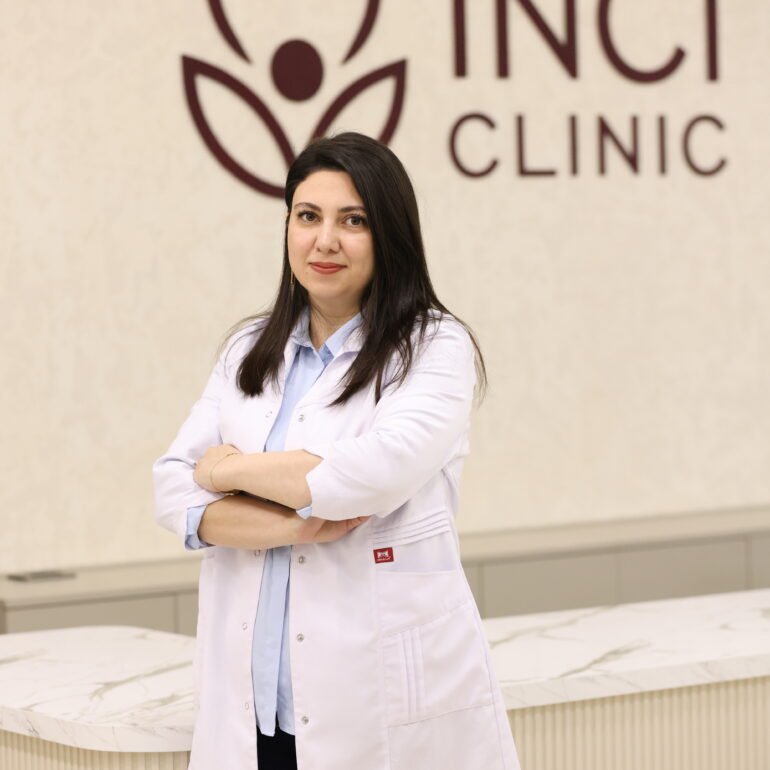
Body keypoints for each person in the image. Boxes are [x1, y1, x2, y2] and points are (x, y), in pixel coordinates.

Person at [152, 131, 522, 770]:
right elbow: (171, 487)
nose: (325, 241)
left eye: (353, 221)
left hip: (373, 711)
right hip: (252, 713)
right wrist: (290, 524)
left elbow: (368, 475)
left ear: (390, 235)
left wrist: (227, 470)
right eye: (308, 216)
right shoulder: (248, 350)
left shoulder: (434, 348)